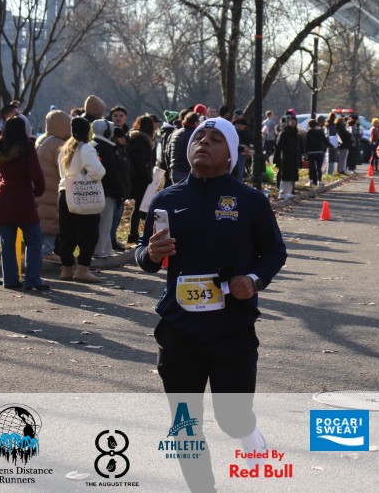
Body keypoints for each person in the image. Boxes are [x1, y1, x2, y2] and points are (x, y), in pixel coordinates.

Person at [136, 117, 287, 493]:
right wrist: (150, 253)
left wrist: (253, 280)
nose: (203, 142)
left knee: (232, 419)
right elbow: (144, 255)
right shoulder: (166, 199)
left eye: (215, 138)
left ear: (231, 155)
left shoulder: (250, 201)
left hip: (232, 328)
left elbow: (274, 251)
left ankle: (247, 431)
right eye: (198, 137)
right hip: (178, 329)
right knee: (186, 427)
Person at [0, 116, 47, 290]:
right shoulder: (27, 149)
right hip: (23, 199)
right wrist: (38, 192)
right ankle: (32, 279)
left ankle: (10, 278)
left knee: (7, 242)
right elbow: (36, 174)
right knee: (34, 240)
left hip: (3, 198)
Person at [57, 117, 105, 283]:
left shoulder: (65, 149)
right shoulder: (87, 149)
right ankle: (83, 268)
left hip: (65, 193)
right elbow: (98, 172)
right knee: (89, 233)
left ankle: (67, 268)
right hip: (83, 194)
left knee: (67, 233)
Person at [36, 109, 71, 263]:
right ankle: (47, 250)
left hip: (41, 187)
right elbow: (64, 169)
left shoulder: (42, 139)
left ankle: (40, 250)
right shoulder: (58, 144)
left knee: (41, 218)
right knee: (51, 219)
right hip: (52, 188)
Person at [91, 119, 121, 258]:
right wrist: (119, 191)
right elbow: (112, 173)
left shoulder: (93, 145)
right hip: (108, 191)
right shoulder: (106, 148)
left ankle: (107, 249)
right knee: (105, 222)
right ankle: (99, 250)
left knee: (104, 222)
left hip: (97, 189)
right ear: (107, 132)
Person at [126, 115, 156, 244]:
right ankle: (134, 234)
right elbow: (141, 161)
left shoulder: (133, 138)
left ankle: (134, 234)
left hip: (134, 177)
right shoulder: (142, 140)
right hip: (140, 179)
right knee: (139, 207)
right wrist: (148, 178)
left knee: (139, 207)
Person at [274, 114, 302, 198]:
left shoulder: (296, 132)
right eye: (291, 121)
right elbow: (279, 144)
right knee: (285, 175)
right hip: (286, 156)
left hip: (294, 156)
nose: (293, 123)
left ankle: (289, 192)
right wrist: (287, 150)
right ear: (288, 122)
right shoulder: (284, 132)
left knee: (292, 175)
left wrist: (297, 151)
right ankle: (283, 192)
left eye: (294, 121)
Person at [303, 118, 327, 188]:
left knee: (311, 167)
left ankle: (311, 181)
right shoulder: (320, 131)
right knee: (319, 168)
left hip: (311, 152)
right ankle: (320, 181)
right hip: (320, 151)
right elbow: (325, 140)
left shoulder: (309, 132)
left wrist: (306, 151)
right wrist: (332, 146)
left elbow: (307, 142)